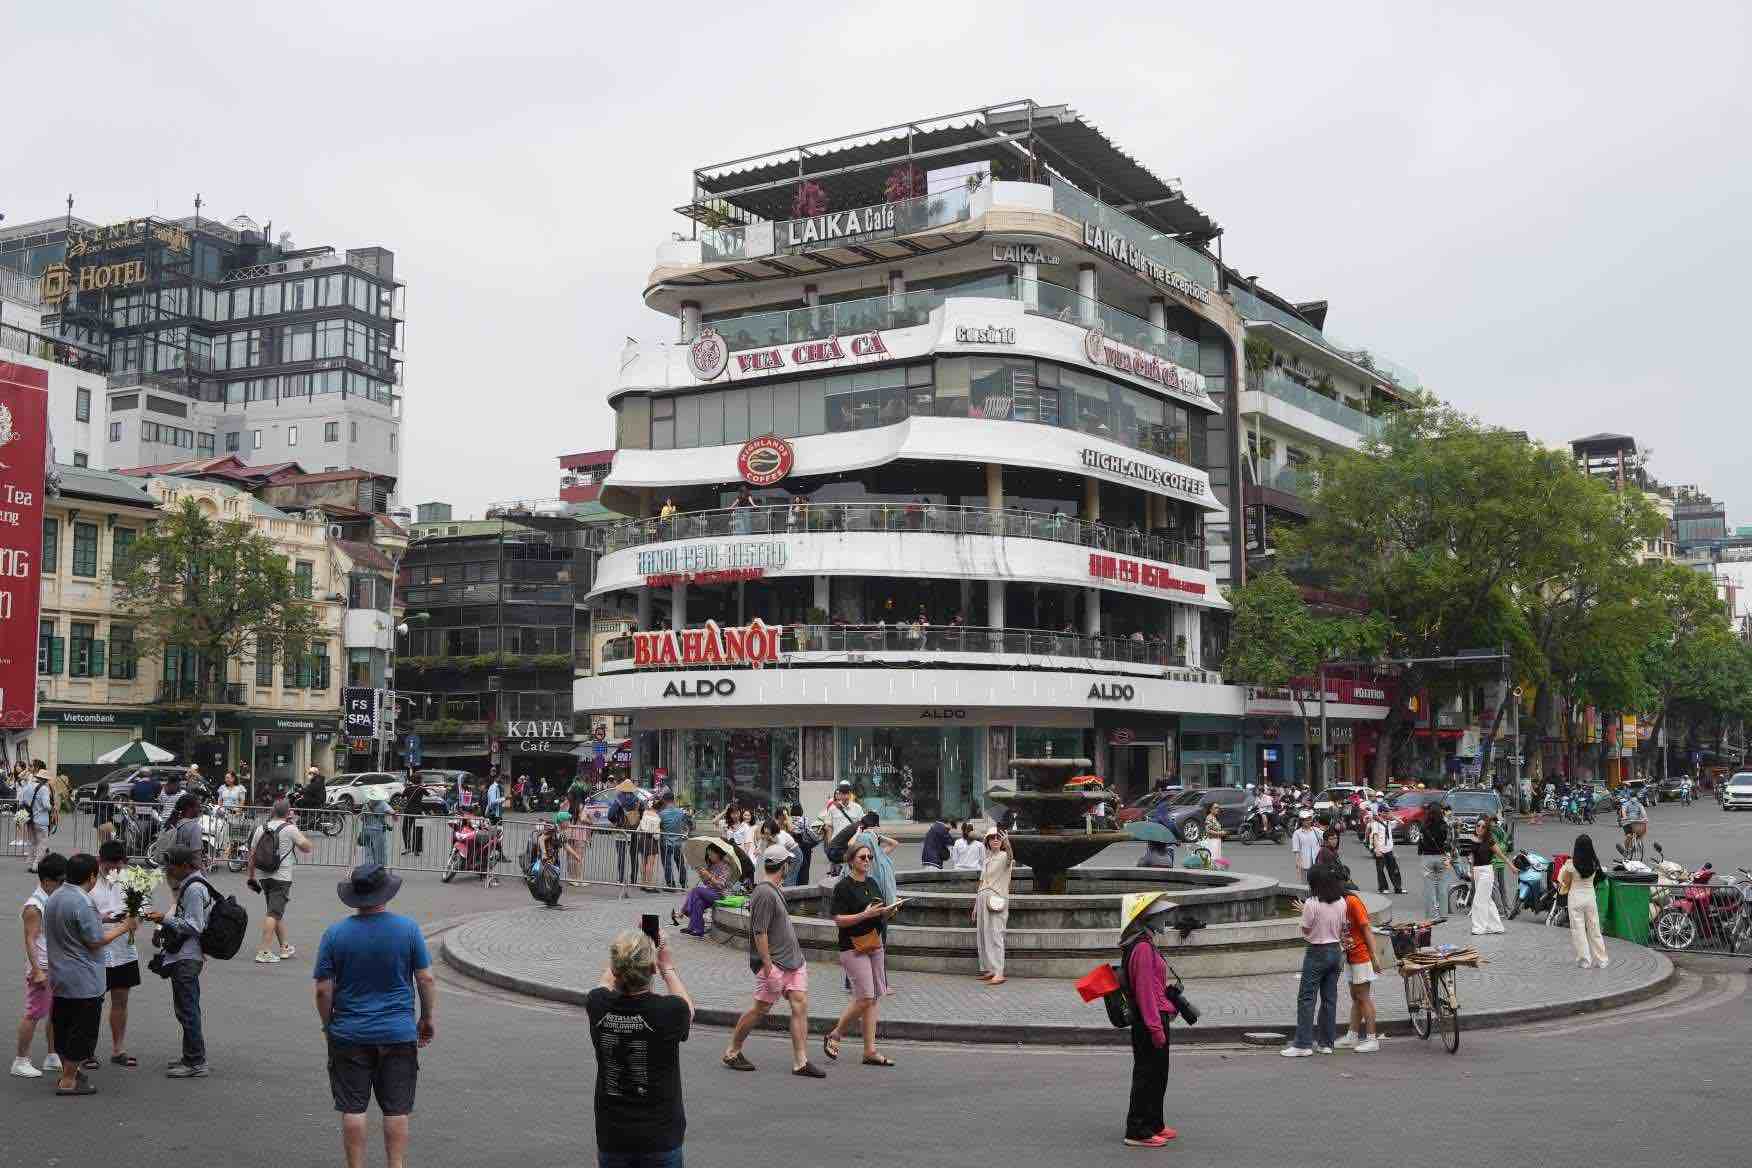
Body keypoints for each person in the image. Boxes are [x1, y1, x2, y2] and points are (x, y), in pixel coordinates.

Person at [314, 862, 437, 1168]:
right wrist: (427, 1017)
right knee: (396, 1110)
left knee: (353, 1108)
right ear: (386, 894)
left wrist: (328, 1024)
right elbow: (426, 978)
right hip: (397, 1031)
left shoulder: (335, 934)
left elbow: (322, 990)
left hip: (349, 1031)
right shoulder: (408, 929)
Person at [587, 930, 695, 1167]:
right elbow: (688, 1009)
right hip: (660, 1137)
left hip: (612, 1135)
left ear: (615, 968)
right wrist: (666, 964)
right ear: (653, 969)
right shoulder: (669, 1011)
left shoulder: (597, 1004)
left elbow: (606, 980)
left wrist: (628, 947)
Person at [721, 845, 825, 1078]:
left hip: (792, 962)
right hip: (775, 965)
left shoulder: (772, 889)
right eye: (788, 863)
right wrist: (769, 969)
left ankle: (801, 1061)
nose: (790, 866)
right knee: (760, 1009)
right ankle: (732, 1051)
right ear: (783, 866)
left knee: (800, 1004)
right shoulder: (765, 893)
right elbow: (760, 932)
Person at [45, 852, 139, 1094]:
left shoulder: (55, 897)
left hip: (60, 974)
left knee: (64, 1024)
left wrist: (102, 919)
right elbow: (95, 941)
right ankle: (68, 1080)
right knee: (82, 1029)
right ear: (91, 876)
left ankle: (71, 1071)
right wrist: (124, 926)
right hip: (83, 977)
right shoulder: (83, 902)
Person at [824, 841, 899, 1067]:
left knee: (873, 998)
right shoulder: (843, 887)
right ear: (851, 860)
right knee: (865, 996)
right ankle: (835, 1034)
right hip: (852, 946)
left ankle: (870, 1051)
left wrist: (887, 913)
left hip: (874, 943)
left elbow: (877, 913)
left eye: (869, 857)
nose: (867, 861)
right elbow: (838, 920)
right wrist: (863, 916)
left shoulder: (873, 883)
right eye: (862, 857)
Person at [1118, 891, 1179, 1147]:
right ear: (1145, 919)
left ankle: (1155, 1123)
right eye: (1159, 916)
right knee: (1146, 1075)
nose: (1164, 919)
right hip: (1149, 1021)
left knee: (1158, 1075)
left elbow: (1154, 986)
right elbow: (1144, 992)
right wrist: (1156, 1027)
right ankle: (1137, 1130)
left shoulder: (1146, 943)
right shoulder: (1141, 948)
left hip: (1156, 1016)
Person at [146, 847, 212, 1077]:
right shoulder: (192, 883)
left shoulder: (194, 888)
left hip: (188, 956)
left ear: (185, 865)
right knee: (185, 1009)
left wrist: (164, 919)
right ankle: (190, 1056)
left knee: (188, 1010)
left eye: (171, 865)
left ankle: (196, 1062)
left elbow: (195, 925)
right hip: (186, 954)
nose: (169, 870)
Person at [1282, 862, 1347, 1057]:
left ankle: (1303, 1043)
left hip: (1317, 951)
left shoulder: (1311, 903)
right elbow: (1343, 927)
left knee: (1307, 998)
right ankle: (1326, 1043)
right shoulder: (1341, 901)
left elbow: (1306, 929)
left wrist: (1305, 914)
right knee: (1329, 998)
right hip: (1336, 951)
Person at [12, 852, 67, 1079]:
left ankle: (52, 1055)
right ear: (46, 881)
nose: (65, 885)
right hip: (42, 967)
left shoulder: (51, 899)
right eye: (61, 881)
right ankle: (21, 1060)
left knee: (55, 1012)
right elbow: (30, 940)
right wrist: (36, 970)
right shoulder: (34, 907)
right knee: (34, 1013)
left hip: (54, 964)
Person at [90, 841, 143, 1069]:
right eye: (108, 866)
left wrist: (133, 919)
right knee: (91, 1003)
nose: (113, 871)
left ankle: (118, 1049)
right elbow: (79, 913)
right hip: (95, 951)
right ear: (99, 861)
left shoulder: (133, 879)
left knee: (121, 1001)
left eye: (117, 867)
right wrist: (105, 918)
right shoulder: (88, 880)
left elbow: (140, 914)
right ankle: (85, 1052)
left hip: (123, 951)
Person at [246, 798, 315, 964]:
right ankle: (264, 950)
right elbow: (307, 847)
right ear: (287, 812)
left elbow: (252, 855)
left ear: (273, 811)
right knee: (274, 913)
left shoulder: (260, 828)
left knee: (275, 911)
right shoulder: (290, 828)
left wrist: (251, 877)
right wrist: (295, 828)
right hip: (281, 877)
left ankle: (284, 946)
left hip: (264, 876)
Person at [1334, 883, 1383, 1053]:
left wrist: (1374, 955)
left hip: (1361, 955)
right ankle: (1352, 1036)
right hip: (1350, 955)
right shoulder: (1338, 903)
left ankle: (1372, 1039)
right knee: (1356, 997)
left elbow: (1366, 928)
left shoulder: (1352, 902)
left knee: (1363, 997)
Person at [1558, 834, 1609, 969]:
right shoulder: (1595, 863)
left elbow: (1567, 882)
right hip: (1590, 897)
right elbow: (1600, 877)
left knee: (1578, 930)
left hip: (1575, 898)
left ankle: (1584, 960)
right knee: (1594, 928)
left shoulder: (1571, 864)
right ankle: (1601, 959)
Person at [975, 826, 1012, 985]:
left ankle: (999, 972)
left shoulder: (1004, 856)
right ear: (987, 842)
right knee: (984, 935)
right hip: (983, 899)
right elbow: (982, 882)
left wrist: (1008, 843)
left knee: (996, 935)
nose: (995, 840)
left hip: (996, 900)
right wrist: (975, 905)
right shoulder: (987, 859)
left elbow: (1011, 857)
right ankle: (990, 969)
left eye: (998, 838)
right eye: (992, 838)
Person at [675, 845, 734, 938]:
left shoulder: (725, 866)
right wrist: (703, 876)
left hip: (720, 895)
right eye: (708, 854)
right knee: (698, 901)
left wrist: (709, 876)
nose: (709, 857)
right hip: (709, 892)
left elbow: (720, 885)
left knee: (696, 891)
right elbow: (707, 883)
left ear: (718, 853)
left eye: (711, 854)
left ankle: (685, 913)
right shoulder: (711, 865)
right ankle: (698, 929)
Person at [1467, 818, 1508, 936]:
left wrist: (1511, 867)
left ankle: (1479, 927)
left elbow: (1501, 855)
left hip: (1487, 871)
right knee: (1487, 900)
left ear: (1487, 829)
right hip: (1477, 871)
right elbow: (1472, 857)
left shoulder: (1489, 841)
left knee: (1478, 900)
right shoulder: (1472, 839)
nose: (1479, 828)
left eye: (1483, 826)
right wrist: (1472, 871)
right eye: (1478, 825)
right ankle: (1496, 926)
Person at [851, 811, 899, 904]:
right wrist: (879, 837)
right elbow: (894, 843)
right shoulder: (881, 856)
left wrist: (858, 834)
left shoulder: (866, 860)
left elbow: (851, 845)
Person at [1417, 802, 1454, 921]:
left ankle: (1431, 916)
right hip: (1441, 856)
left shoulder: (1424, 825)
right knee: (1442, 887)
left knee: (1429, 888)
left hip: (1427, 858)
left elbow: (1420, 843)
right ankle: (1443, 914)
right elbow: (1448, 842)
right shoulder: (1444, 825)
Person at [18, 760, 56, 872]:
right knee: (42, 843)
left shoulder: (28, 786)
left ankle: (30, 863)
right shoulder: (43, 789)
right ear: (44, 779)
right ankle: (37, 866)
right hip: (41, 820)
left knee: (32, 842)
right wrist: (52, 808)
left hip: (30, 819)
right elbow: (46, 805)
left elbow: (23, 800)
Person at [1365, 807, 1405, 895]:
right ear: (1380, 813)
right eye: (1385, 812)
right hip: (1380, 849)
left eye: (1387, 812)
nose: (1387, 814)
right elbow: (1375, 836)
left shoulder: (1389, 823)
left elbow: (1402, 823)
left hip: (1389, 850)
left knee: (1394, 869)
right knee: (1380, 870)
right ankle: (1383, 888)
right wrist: (1377, 849)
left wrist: (1393, 816)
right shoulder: (1375, 823)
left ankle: (1398, 887)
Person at [657, 796, 690, 890]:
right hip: (678, 842)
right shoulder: (680, 812)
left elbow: (659, 826)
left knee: (667, 863)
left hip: (666, 841)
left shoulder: (661, 814)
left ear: (664, 801)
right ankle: (684, 883)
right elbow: (684, 824)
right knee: (680, 863)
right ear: (674, 800)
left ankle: (671, 884)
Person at [358, 791, 397, 869]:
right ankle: (380, 870)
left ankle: (368, 869)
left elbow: (362, 818)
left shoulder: (366, 805)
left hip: (367, 830)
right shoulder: (382, 804)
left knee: (368, 851)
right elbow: (392, 813)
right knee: (380, 852)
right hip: (378, 830)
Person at [1289, 809, 1321, 883]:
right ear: (1301, 821)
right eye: (1304, 820)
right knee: (1305, 886)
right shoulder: (1297, 833)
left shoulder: (1317, 831)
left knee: (1317, 885)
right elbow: (1297, 851)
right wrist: (1298, 865)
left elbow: (1327, 837)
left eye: (1308, 819)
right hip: (1305, 865)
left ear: (1311, 820)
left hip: (1317, 864)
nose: (1306, 821)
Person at [638, 799, 663, 891]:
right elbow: (656, 835)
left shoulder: (645, 813)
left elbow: (640, 826)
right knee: (650, 863)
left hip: (642, 838)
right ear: (658, 808)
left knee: (643, 862)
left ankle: (643, 882)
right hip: (651, 840)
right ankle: (649, 884)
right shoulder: (657, 818)